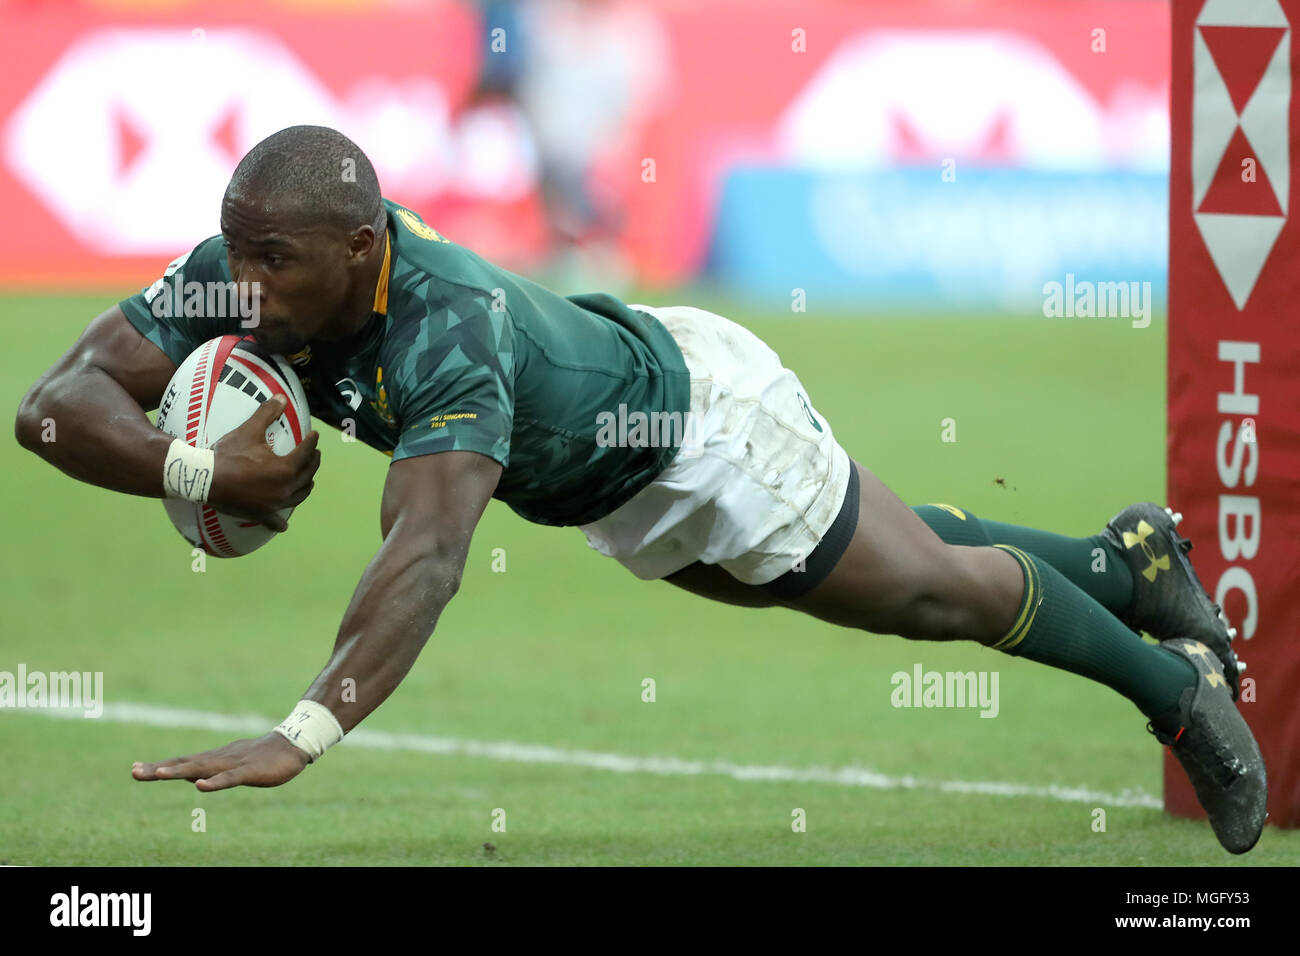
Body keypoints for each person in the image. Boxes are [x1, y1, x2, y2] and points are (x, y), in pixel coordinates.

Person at [13, 126, 1266, 854]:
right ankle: (1127, 561)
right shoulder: (246, 274)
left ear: (360, 247)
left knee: (925, 596)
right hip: (613, 474)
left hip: (703, 428)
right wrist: (205, 465)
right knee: (858, 564)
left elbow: (427, 557)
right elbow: (54, 405)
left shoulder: (446, 336)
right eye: (231, 253)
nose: (242, 287)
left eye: (270, 262)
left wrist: (304, 730)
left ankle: (1177, 691)